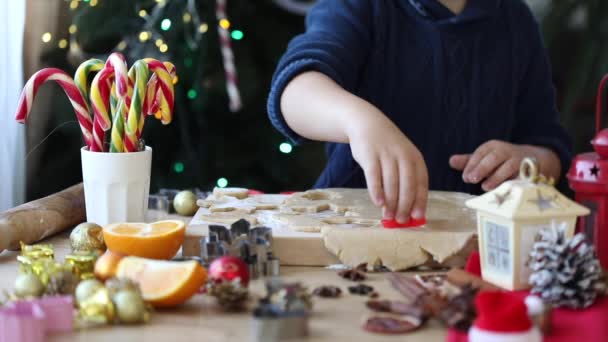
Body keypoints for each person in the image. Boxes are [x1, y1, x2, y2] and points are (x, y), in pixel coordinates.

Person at [267, 0, 572, 224]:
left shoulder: (515, 20)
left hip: (477, 247)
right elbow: (294, 92)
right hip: (357, 236)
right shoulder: (357, 6)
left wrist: (529, 161)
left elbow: (549, 145)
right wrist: (358, 121)